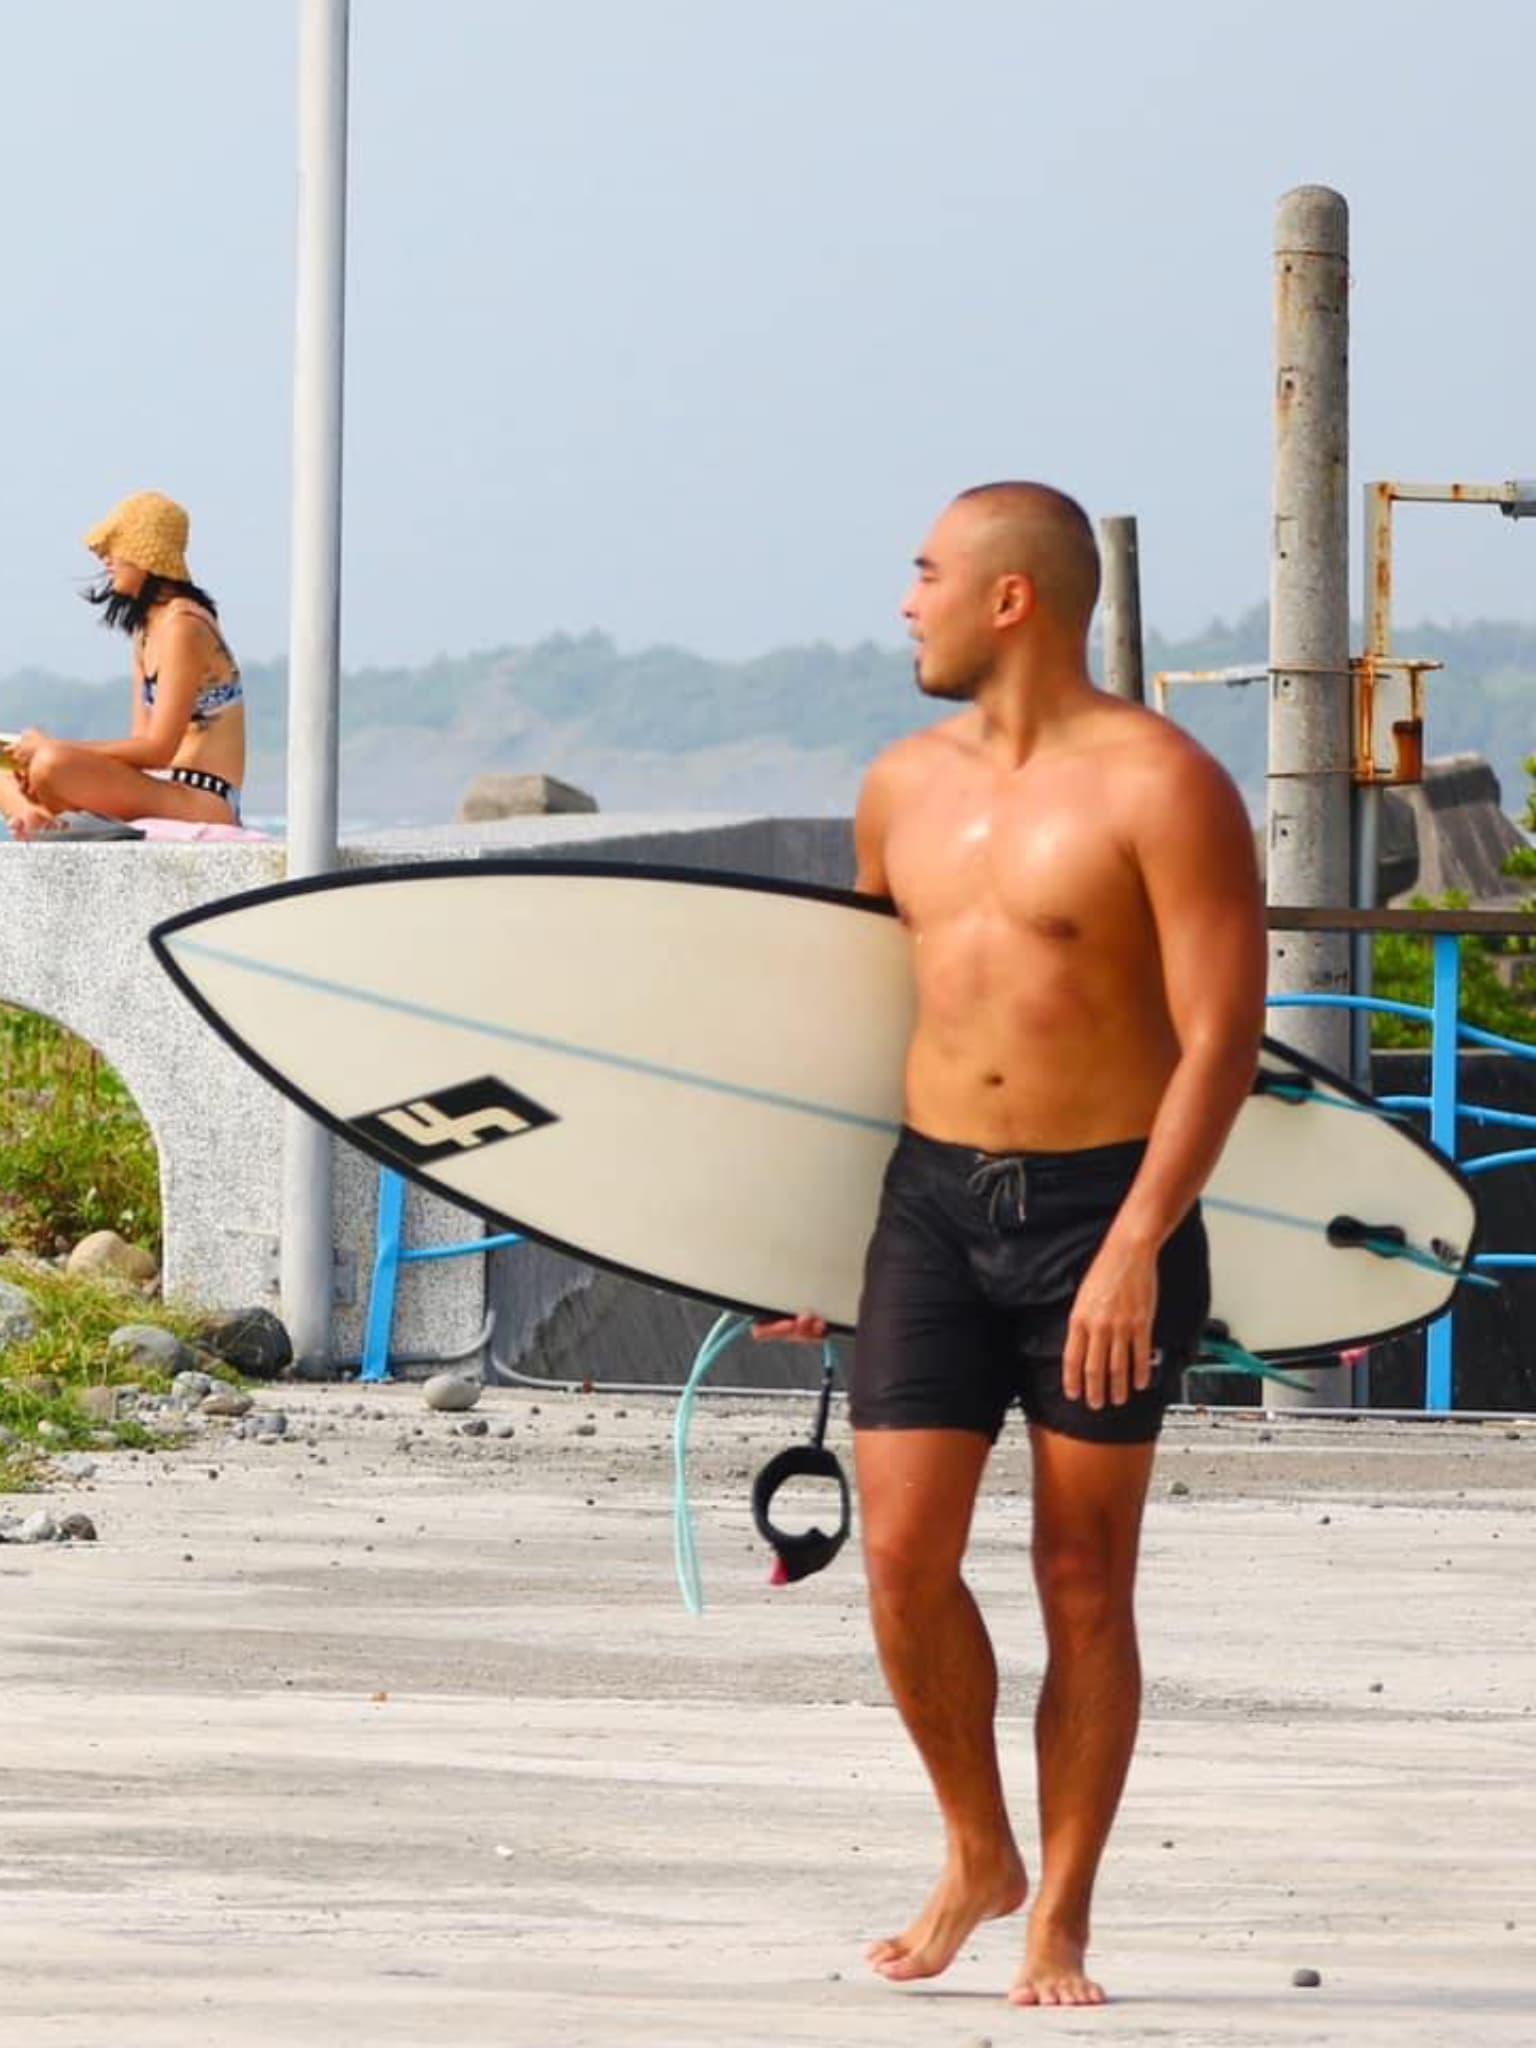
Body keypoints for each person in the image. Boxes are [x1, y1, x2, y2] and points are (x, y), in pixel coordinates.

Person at [757, 482, 1266, 2007]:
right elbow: (849, 1026)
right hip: (928, 1207)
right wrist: (795, 1241)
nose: (904, 603)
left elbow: (1223, 1038)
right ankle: (979, 1854)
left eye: (926, 575)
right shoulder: (900, 786)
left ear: (1012, 598)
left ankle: (1064, 1918)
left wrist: (1137, 1243)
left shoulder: (1162, 786)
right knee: (901, 1560)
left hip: (1103, 1212)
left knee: (1081, 1577)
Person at [1, 491, 244, 838]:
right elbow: (139, 743)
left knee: (51, 761)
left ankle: (45, 816)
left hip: (201, 798)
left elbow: (158, 750)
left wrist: (53, 748)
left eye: (115, 548)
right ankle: (34, 816)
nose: (105, 559)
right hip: (158, 786)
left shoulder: (183, 625)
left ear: (146, 553)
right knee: (10, 764)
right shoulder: (147, 630)